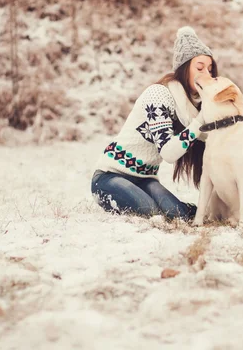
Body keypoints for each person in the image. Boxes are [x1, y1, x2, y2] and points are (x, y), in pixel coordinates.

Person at [90, 26, 218, 221]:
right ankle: (108, 198)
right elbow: (168, 152)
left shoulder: (189, 108)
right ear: (184, 69)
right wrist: (199, 122)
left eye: (210, 69)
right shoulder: (158, 95)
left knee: (179, 216)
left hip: (145, 179)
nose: (206, 74)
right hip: (110, 176)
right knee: (153, 214)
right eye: (200, 68)